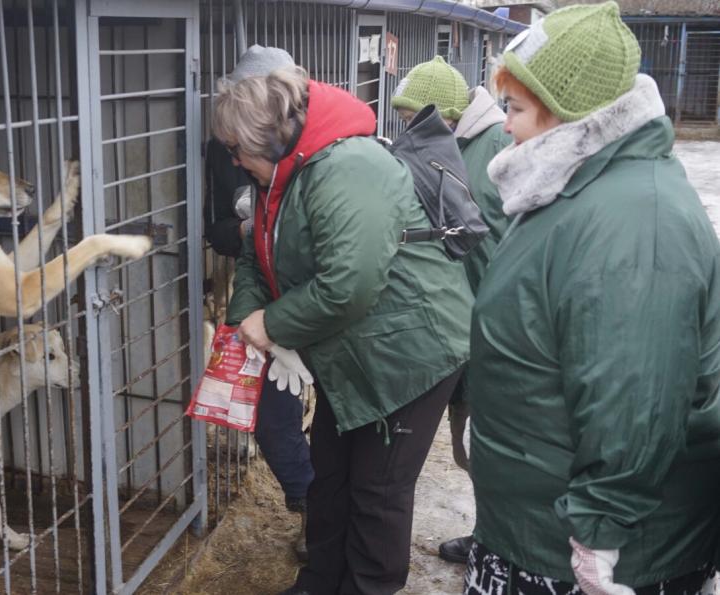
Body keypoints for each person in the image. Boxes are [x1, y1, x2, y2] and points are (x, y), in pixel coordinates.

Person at [466, 3, 720, 593]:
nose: (505, 126)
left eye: (517, 109)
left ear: (572, 117)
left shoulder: (633, 224)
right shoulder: (577, 184)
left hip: (585, 551)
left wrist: (599, 532)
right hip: (538, 522)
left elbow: (637, 398)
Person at [213, 55, 474, 594]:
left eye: (236, 150)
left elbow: (349, 283)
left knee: (377, 492)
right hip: (354, 351)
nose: (235, 162)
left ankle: (367, 587)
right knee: (330, 477)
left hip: (409, 354)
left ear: (267, 138)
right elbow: (255, 256)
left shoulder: (348, 166)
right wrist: (246, 323)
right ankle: (319, 581)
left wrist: (275, 325)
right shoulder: (281, 175)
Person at [390, 55, 512, 565]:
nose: (404, 127)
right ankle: (490, 534)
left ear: (440, 114)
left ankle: (503, 544)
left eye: (411, 116)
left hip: (495, 320)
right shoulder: (440, 150)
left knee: (500, 442)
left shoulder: (499, 147)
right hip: (454, 317)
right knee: (468, 442)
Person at [205, 44, 315, 562]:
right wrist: (252, 229)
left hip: (314, 306)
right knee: (273, 421)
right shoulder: (224, 150)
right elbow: (219, 230)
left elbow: (347, 276)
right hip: (264, 303)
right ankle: (310, 504)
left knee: (336, 426)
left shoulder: (323, 155)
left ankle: (325, 526)